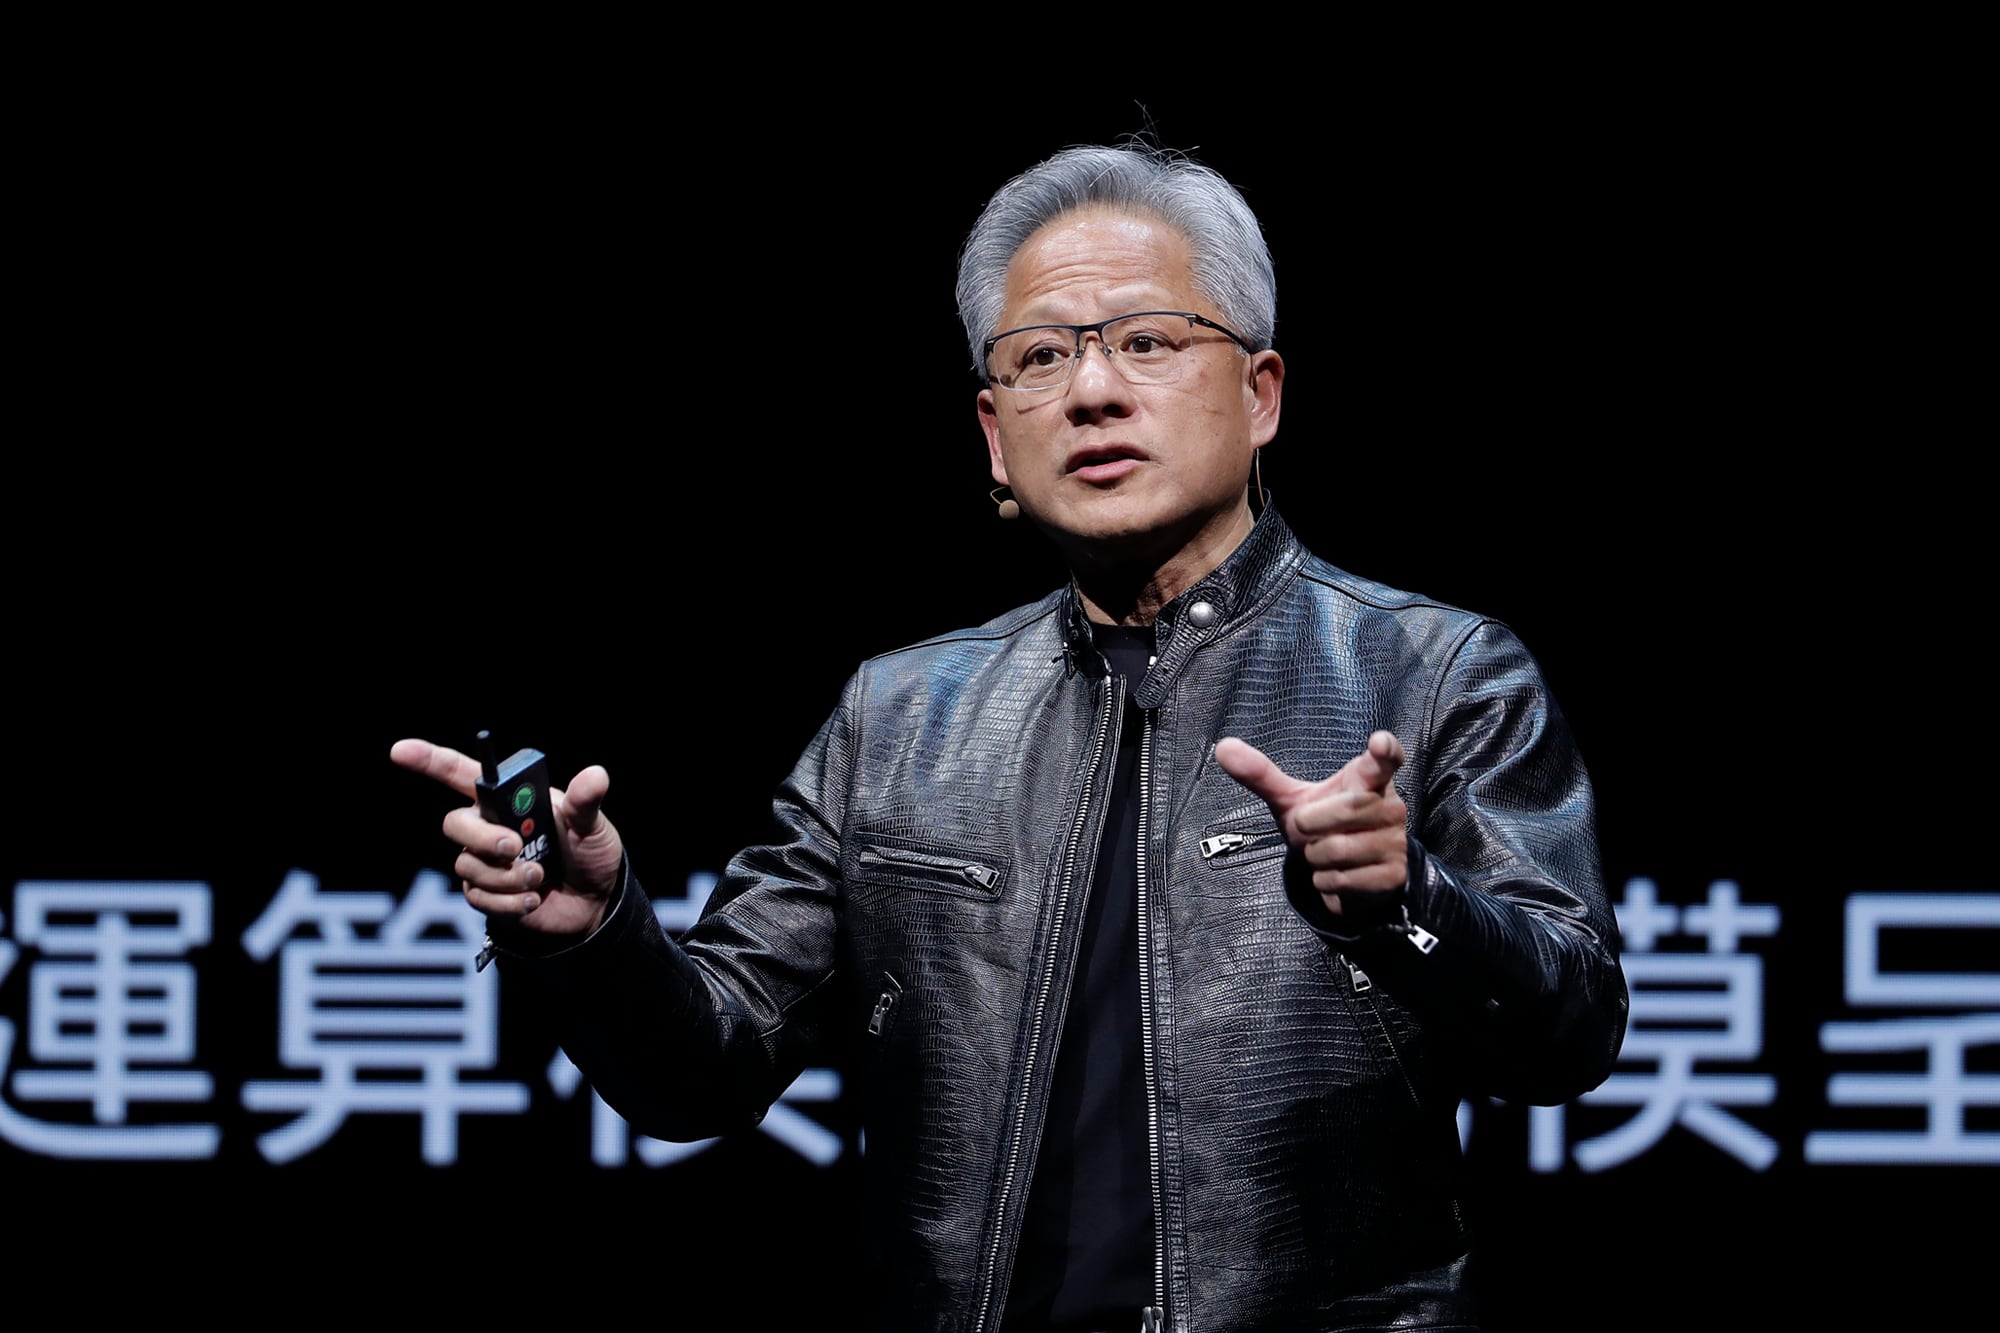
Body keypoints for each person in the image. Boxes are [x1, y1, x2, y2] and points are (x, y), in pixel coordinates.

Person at [392, 140, 1627, 1333]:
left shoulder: (1434, 669)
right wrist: (595, 936)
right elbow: (700, 1071)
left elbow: (1570, 1031)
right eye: (1040, 358)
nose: (1090, 390)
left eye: (1146, 342)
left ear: (1260, 395)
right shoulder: (898, 715)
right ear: (994, 435)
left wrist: (1401, 900)